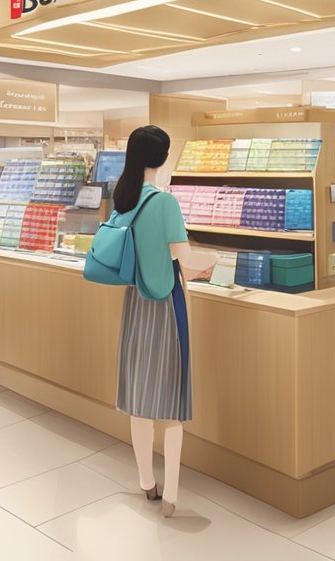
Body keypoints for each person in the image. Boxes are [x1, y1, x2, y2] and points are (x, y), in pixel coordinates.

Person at [112, 126, 216, 518]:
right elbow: (186, 260)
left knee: (140, 400)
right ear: (162, 157)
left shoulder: (123, 197)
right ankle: (171, 494)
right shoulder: (165, 202)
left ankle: (145, 482)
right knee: (171, 404)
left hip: (135, 303)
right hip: (166, 305)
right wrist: (216, 264)